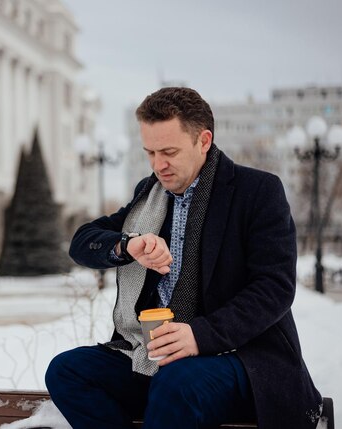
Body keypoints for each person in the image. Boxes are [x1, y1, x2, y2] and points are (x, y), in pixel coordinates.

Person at [45, 87, 322, 429]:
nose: (158, 165)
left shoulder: (258, 192)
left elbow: (274, 288)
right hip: (153, 355)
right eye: (149, 152)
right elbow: (82, 242)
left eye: (169, 151)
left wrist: (199, 335)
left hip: (239, 356)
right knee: (66, 371)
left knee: (177, 382)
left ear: (203, 140)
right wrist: (128, 246)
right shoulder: (149, 194)